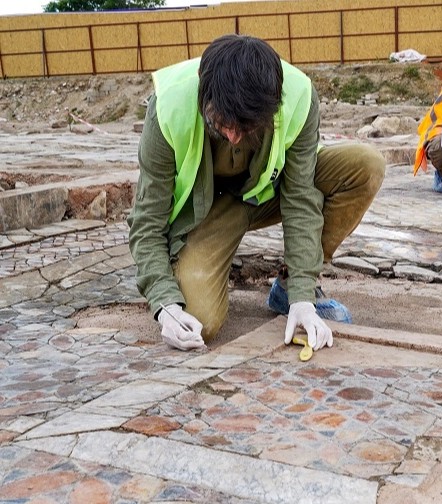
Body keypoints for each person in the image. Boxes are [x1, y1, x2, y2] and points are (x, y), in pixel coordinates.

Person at [128, 34, 386, 352]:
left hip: (268, 193)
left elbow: (301, 198)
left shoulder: (297, 96)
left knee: (365, 165)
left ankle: (287, 288)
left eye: (247, 127)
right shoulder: (168, 107)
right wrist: (164, 302)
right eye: (222, 123)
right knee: (199, 322)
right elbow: (146, 222)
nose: (235, 137)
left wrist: (302, 295)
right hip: (208, 211)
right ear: (203, 92)